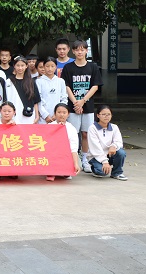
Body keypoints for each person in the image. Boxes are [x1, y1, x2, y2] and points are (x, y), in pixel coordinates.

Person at [61, 39, 102, 173]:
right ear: (73, 51)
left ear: (86, 51)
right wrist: (75, 102)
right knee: (73, 133)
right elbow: (66, 86)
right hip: (72, 106)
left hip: (87, 106)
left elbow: (95, 86)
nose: (80, 52)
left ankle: (85, 159)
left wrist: (83, 101)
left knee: (86, 133)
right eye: (77, 50)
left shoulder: (93, 67)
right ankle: (72, 158)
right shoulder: (68, 68)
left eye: (82, 49)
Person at [87, 105, 127, 180]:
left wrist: (113, 146)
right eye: (103, 114)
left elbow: (119, 141)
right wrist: (104, 162)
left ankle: (117, 173)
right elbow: (95, 148)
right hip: (95, 156)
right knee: (102, 172)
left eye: (108, 114)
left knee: (121, 152)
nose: (106, 116)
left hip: (109, 154)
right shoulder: (92, 128)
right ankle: (95, 168)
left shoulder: (114, 127)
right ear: (98, 115)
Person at [47, 103, 82, 181]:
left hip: (65, 154)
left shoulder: (72, 128)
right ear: (55, 114)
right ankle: (50, 172)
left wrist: (76, 164)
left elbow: (73, 148)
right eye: (59, 112)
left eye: (64, 112)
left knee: (69, 170)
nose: (61, 115)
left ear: (68, 114)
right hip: (52, 154)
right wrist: (58, 128)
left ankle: (66, 171)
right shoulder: (49, 126)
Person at [6, 56, 40, 124]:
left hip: (28, 114)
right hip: (14, 115)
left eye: (22, 65)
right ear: (14, 66)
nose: (20, 68)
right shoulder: (9, 81)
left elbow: (35, 100)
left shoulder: (31, 82)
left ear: (26, 66)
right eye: (18, 65)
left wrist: (37, 116)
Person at [37, 57, 68, 124]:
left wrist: (57, 114)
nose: (50, 69)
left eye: (52, 66)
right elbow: (38, 100)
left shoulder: (60, 81)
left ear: (56, 67)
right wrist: (45, 115)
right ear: (44, 67)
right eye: (47, 66)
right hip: (43, 117)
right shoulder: (39, 81)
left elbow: (64, 99)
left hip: (58, 116)